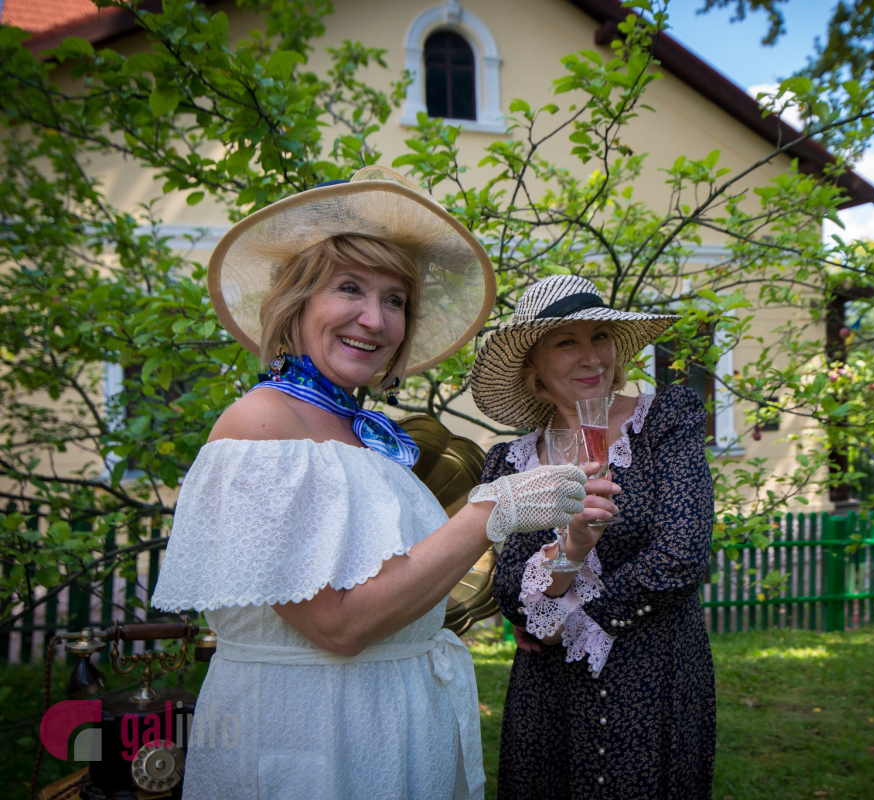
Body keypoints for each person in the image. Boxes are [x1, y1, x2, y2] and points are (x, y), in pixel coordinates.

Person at [150, 166, 591, 799]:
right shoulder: (261, 421)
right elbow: (339, 627)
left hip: (389, 733)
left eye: (394, 300)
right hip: (310, 740)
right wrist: (489, 511)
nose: (374, 319)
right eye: (349, 288)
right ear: (297, 301)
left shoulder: (366, 434)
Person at [469, 274, 716, 799]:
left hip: (654, 675)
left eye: (600, 336)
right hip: (548, 694)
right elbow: (511, 590)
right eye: (567, 342)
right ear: (532, 366)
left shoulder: (662, 423)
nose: (592, 358)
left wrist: (569, 620)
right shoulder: (511, 464)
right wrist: (571, 552)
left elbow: (681, 553)